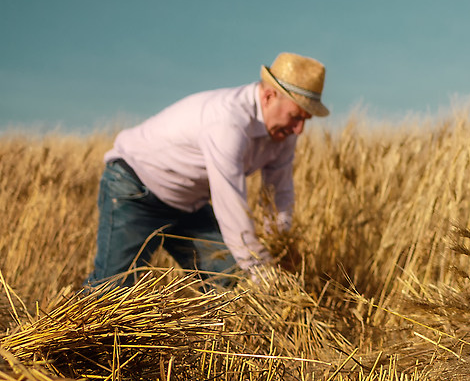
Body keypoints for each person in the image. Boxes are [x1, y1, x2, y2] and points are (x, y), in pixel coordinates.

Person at [86, 53, 329, 287]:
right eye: (296, 116)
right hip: (136, 188)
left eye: (306, 120)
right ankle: (60, 329)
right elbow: (230, 202)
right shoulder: (228, 122)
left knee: (229, 282)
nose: (299, 130)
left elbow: (279, 193)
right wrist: (261, 269)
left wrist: (279, 247)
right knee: (112, 290)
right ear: (268, 96)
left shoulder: (285, 134)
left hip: (189, 204)